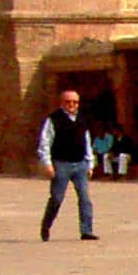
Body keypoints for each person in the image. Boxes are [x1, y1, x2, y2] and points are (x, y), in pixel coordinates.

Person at [38, 86, 99, 241]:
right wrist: (47, 164)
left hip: (80, 164)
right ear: (61, 103)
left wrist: (90, 163)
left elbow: (86, 142)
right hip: (61, 164)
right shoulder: (53, 119)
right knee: (57, 198)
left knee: (85, 198)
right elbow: (45, 142)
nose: (72, 105)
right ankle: (46, 225)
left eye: (75, 102)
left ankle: (86, 230)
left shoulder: (82, 119)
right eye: (68, 102)